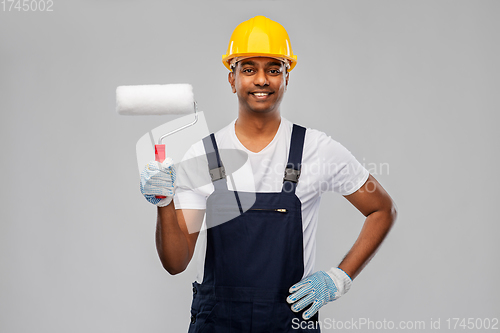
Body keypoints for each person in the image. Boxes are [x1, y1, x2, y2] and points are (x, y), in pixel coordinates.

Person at [140, 15, 397, 333]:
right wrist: (163, 202)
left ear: (287, 77)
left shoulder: (316, 149)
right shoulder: (203, 156)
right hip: (216, 323)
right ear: (232, 79)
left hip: (287, 322)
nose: (261, 79)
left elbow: (382, 209)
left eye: (274, 69)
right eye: (248, 69)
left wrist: (339, 278)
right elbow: (176, 263)